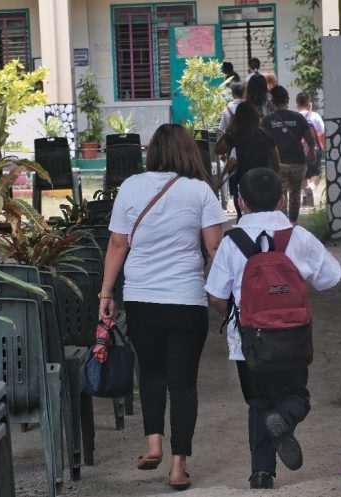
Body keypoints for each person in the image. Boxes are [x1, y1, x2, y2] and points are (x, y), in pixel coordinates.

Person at [98, 123, 226, 491]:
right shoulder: (200, 191)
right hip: (186, 301)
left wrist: (106, 295)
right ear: (188, 151)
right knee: (183, 383)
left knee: (151, 373)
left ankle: (153, 443)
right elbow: (215, 250)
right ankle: (177, 467)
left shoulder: (131, 187)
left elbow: (118, 244)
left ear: (152, 152)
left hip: (141, 301)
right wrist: (226, 296)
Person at [205, 167, 341, 490]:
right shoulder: (299, 236)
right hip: (293, 339)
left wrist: (239, 319)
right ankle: (285, 417)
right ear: (282, 199)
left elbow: (215, 296)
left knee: (258, 403)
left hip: (249, 341)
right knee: (297, 397)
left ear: (241, 202)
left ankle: (261, 474)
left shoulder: (232, 241)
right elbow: (332, 277)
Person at [261, 86, 316, 223]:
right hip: (298, 163)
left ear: (273, 102)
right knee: (296, 193)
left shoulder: (267, 121)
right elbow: (310, 139)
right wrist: (311, 151)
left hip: (278, 165)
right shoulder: (298, 117)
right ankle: (293, 223)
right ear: (287, 100)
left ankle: (284, 225)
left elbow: (263, 144)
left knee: (281, 195)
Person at [216, 101, 279, 218]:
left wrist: (228, 129)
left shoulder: (236, 135)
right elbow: (276, 162)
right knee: (265, 215)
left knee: (243, 217)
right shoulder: (266, 135)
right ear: (256, 117)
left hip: (243, 182)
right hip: (265, 180)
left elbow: (218, 150)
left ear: (237, 120)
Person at [296, 92, 325, 207]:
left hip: (299, 152)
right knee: (316, 174)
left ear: (297, 105)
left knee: (302, 176)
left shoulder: (295, 116)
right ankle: (310, 188)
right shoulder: (315, 116)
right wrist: (323, 147)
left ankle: (305, 197)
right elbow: (322, 134)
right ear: (309, 104)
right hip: (314, 150)